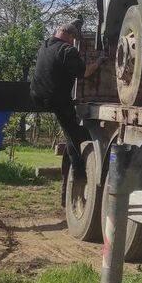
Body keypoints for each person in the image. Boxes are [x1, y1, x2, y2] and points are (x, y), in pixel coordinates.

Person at [30, 21, 103, 180]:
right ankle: (78, 172)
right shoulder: (68, 50)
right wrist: (99, 61)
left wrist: (76, 24)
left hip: (37, 95)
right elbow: (85, 73)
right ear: (70, 37)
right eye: (73, 38)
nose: (73, 41)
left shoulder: (45, 45)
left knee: (71, 125)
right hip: (56, 99)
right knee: (72, 133)